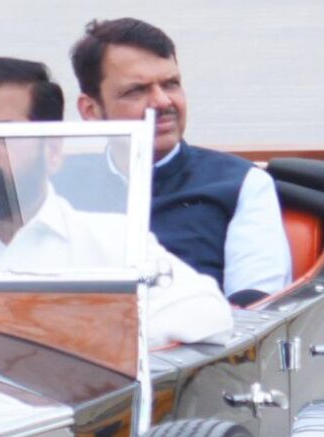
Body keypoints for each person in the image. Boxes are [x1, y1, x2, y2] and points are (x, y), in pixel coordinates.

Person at [0, 57, 233, 347]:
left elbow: (208, 314)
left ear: (52, 151)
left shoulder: (114, 242)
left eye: (6, 134)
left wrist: (80, 337)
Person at [68, 18, 292, 304]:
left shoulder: (239, 184)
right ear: (90, 110)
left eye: (171, 84)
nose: (162, 102)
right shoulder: (61, 188)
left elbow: (255, 310)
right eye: (136, 91)